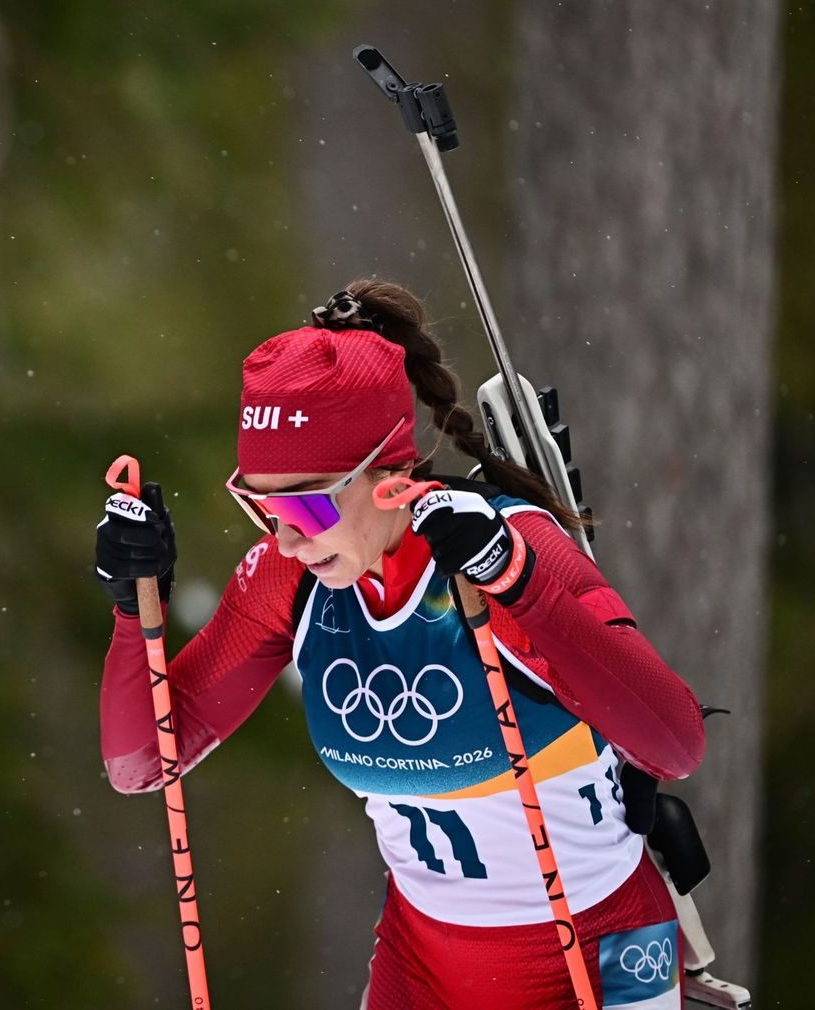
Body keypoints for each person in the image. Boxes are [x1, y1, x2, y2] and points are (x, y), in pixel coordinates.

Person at [93, 280, 706, 1009]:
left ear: (388, 474)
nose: (284, 536)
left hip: (596, 954)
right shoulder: (289, 577)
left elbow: (675, 743)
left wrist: (520, 584)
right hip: (421, 967)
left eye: (302, 504)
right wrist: (138, 609)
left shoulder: (497, 552)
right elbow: (142, 764)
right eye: (257, 505)